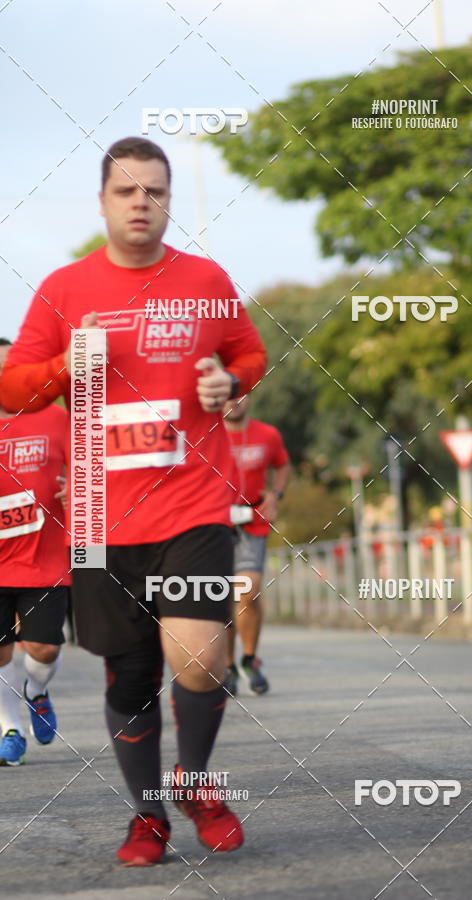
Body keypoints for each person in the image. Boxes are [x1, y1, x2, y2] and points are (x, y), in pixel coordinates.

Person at [0, 138, 266, 865]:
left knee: (201, 658)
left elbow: (249, 353)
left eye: (154, 191)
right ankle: (147, 817)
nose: (141, 203)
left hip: (193, 506)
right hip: (98, 521)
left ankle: (197, 781)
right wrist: (64, 364)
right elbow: (14, 387)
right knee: (131, 672)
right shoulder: (64, 289)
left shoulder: (206, 278)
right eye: (127, 192)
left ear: (168, 200)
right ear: (103, 202)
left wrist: (231, 385)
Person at [0, 339, 69, 765]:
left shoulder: (54, 417)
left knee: (42, 649)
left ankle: (36, 692)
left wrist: (76, 486)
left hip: (45, 558)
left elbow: (91, 468)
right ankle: (10, 729)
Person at [223, 394, 290, 695]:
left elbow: (283, 465)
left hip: (253, 519)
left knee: (247, 590)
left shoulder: (267, 434)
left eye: (239, 395)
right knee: (222, 596)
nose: (233, 401)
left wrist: (276, 495)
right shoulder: (205, 434)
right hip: (216, 521)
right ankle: (228, 666)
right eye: (226, 396)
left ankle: (250, 658)